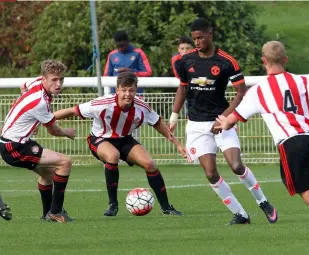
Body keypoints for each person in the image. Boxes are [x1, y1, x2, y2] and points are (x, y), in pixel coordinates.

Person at [215, 41, 309, 229]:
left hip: (291, 144)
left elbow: (233, 118)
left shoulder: (259, 90)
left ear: (263, 60)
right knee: (299, 183)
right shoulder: (300, 81)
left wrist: (224, 123)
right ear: (285, 59)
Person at [168, 18, 277, 225]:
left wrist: (226, 118)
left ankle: (263, 202)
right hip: (196, 125)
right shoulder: (185, 61)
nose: (197, 42)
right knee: (210, 173)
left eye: (201, 37)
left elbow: (240, 92)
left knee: (236, 165)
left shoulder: (227, 61)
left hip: (222, 121)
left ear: (210, 34)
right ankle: (240, 214)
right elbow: (182, 88)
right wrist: (174, 116)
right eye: (194, 38)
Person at [54, 71, 186, 216]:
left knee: (150, 164)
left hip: (125, 139)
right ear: (117, 90)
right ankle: (113, 205)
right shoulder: (102, 104)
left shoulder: (142, 107)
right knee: (113, 155)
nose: (127, 94)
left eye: (131, 90)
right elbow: (72, 111)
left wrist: (178, 144)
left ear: (136, 90)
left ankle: (166, 208)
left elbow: (158, 124)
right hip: (99, 139)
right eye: (124, 90)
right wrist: (45, 121)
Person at [0, 60, 75, 223]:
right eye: (54, 80)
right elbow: (53, 130)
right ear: (44, 79)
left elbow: (23, 86)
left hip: (17, 142)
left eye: (61, 79)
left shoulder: (35, 82)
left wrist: (29, 119)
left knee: (48, 173)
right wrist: (67, 132)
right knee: (65, 162)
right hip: (15, 146)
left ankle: (47, 213)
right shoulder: (40, 101)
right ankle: (56, 212)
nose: (58, 84)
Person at [104, 30, 152, 94]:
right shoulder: (112, 55)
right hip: (116, 95)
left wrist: (131, 72)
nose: (120, 48)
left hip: (134, 95)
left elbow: (148, 72)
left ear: (127, 42)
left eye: (122, 45)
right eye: (118, 46)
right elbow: (106, 75)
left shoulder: (138, 53)